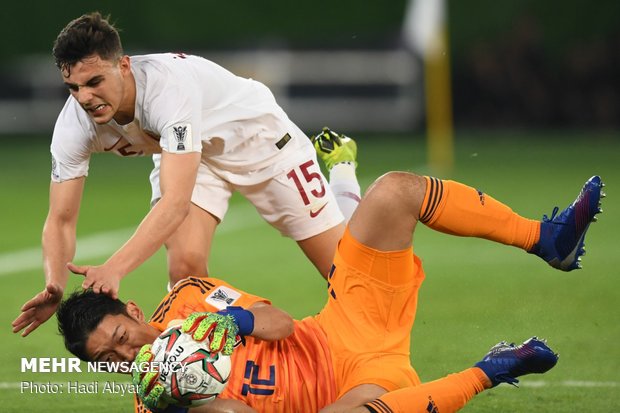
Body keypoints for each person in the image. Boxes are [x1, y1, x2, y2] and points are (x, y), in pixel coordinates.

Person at [56, 172, 603, 412]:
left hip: (346, 326)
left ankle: (546, 239)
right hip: (352, 392)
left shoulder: (189, 300)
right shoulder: (153, 403)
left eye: (121, 339)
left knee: (393, 193)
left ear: (132, 311)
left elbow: (280, 324)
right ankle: (496, 368)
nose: (127, 356)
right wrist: (190, 399)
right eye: (109, 361)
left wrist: (223, 327)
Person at [12, 12, 361, 338]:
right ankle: (213, 370)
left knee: (345, 274)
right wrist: (54, 283)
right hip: (187, 154)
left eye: (94, 82)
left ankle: (343, 172)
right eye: (73, 87)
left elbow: (175, 202)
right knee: (185, 273)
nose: (84, 97)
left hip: (259, 142)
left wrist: (114, 267)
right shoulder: (74, 124)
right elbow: (60, 219)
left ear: (123, 65)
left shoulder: (167, 90)